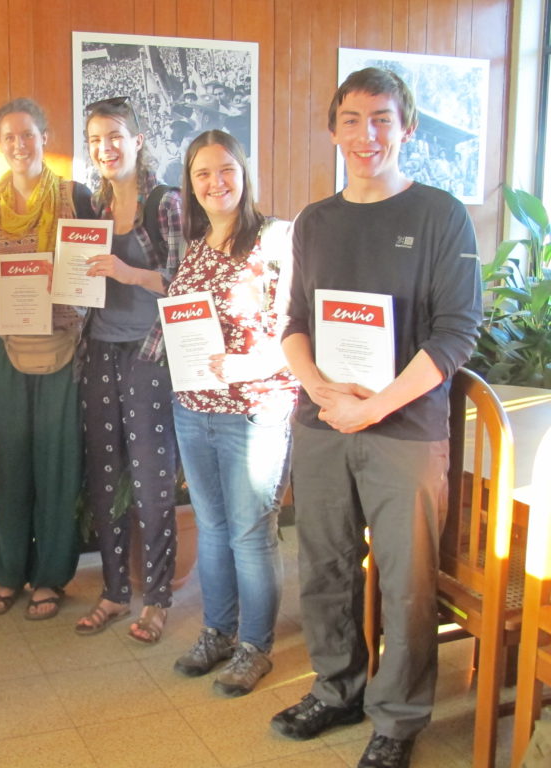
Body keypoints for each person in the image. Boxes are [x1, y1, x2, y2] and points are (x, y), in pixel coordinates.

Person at [271, 68, 481, 768]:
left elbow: (454, 335)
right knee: (324, 565)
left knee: (406, 579)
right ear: (334, 131)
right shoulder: (316, 221)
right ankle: (336, 688)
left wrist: (373, 406)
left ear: (408, 127)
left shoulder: (440, 216)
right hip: (323, 421)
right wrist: (325, 394)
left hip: (405, 431)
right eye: (353, 120)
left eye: (383, 119)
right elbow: (295, 324)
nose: (368, 135)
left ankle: (397, 719)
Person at [168, 130, 297, 696]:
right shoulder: (196, 246)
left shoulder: (276, 239)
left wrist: (244, 366)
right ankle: (217, 631)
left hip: (256, 409)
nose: (215, 182)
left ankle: (254, 645)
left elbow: (297, 328)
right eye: (202, 174)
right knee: (214, 527)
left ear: (244, 173)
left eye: (226, 170)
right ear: (189, 185)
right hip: (194, 408)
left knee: (249, 532)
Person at [0, 98, 92, 620]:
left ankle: (50, 577)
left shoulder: (76, 196)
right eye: (9, 137)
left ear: (45, 135)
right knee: (6, 464)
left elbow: (94, 266)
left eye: (28, 134)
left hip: (62, 348)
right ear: (0, 144)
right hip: (5, 346)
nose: (19, 145)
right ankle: (6, 572)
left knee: (57, 462)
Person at [73, 97, 184, 645]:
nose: (104, 148)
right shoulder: (92, 207)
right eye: (94, 139)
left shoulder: (166, 203)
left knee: (152, 482)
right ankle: (116, 592)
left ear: (138, 140)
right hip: (98, 351)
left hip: (150, 354)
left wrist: (127, 272)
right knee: (105, 477)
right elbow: (86, 288)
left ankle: (158, 599)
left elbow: (184, 284)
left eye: (114, 135)